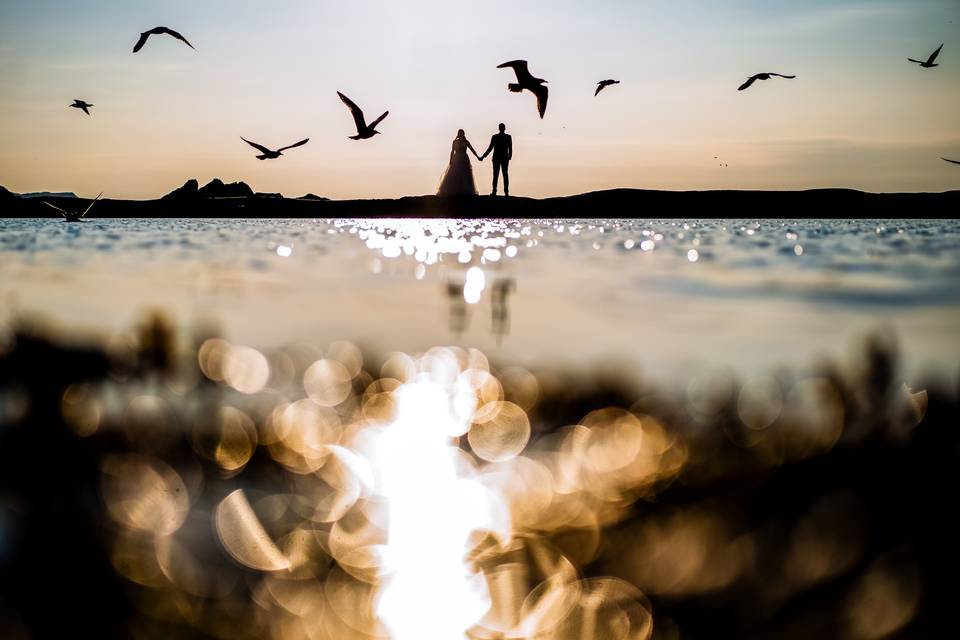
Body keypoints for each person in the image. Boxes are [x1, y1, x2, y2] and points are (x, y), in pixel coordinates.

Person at [437, 129, 480, 196]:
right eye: (460, 133)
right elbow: (452, 151)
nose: (461, 135)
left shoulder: (466, 142)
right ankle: (454, 189)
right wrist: (450, 160)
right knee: (455, 174)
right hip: (456, 158)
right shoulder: (455, 142)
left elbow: (472, 149)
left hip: (464, 159)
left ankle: (464, 189)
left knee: (464, 174)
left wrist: (477, 156)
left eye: (462, 133)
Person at [479, 123, 512, 196]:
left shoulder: (495, 137)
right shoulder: (507, 137)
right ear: (504, 128)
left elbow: (490, 148)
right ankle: (505, 192)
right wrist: (510, 156)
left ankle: (495, 191)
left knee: (497, 174)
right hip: (503, 157)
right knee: (504, 174)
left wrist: (483, 156)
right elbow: (510, 148)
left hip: (498, 157)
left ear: (499, 128)